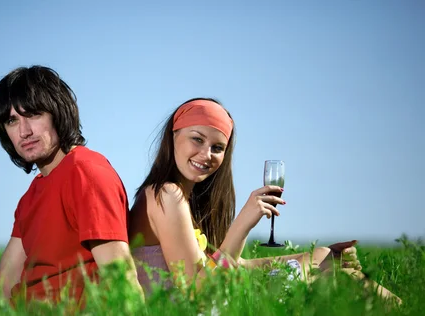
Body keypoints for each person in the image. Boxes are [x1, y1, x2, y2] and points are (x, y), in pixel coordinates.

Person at [0, 65, 143, 308]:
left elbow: (122, 283)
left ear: (58, 112)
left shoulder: (86, 173)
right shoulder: (31, 197)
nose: (24, 131)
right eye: (11, 121)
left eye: (33, 114)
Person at [128, 97, 401, 304]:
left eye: (217, 148)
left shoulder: (182, 200)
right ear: (173, 136)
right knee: (336, 280)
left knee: (333, 268)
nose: (206, 154)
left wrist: (317, 258)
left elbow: (239, 267)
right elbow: (199, 291)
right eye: (196, 139)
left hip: (206, 307)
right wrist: (242, 224)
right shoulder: (165, 194)